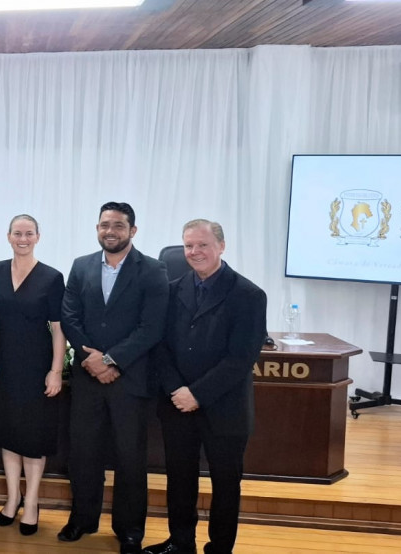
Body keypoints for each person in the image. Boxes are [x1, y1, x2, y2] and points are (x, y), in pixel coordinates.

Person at [144, 220, 266, 554]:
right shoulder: (171, 289)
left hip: (225, 408)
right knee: (180, 480)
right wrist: (176, 390)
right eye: (188, 246)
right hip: (177, 405)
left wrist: (197, 393)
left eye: (202, 245)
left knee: (226, 484)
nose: (194, 252)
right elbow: (160, 348)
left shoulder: (248, 294)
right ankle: (181, 543)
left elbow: (240, 358)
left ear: (221, 246)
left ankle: (220, 548)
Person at [58, 201, 168, 554]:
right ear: (97, 228)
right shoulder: (81, 266)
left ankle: (130, 530)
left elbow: (151, 327)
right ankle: (83, 519)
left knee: (130, 458)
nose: (110, 231)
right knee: (83, 453)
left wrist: (111, 360)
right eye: (105, 224)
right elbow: (70, 315)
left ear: (132, 231)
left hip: (130, 379)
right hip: (88, 379)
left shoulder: (153, 270)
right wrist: (92, 360)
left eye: (118, 225)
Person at [0, 214, 65, 536]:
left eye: (29, 233)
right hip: (1, 366)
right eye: (18, 233)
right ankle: (12, 497)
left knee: (31, 438)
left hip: (36, 369)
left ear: (38, 237)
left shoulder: (51, 277)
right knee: (8, 434)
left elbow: (59, 330)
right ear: (8, 236)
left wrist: (56, 371)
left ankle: (31, 502)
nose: (23, 238)